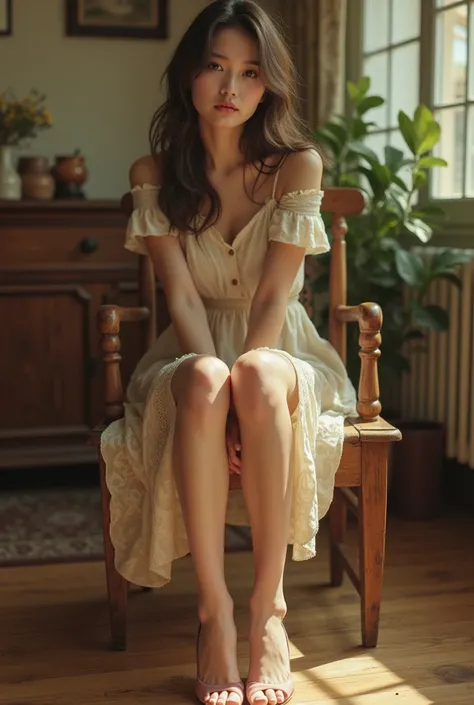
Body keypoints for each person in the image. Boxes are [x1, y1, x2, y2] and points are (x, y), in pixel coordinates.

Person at [101, 1, 357, 704]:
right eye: (215, 66)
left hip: (279, 354)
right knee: (212, 375)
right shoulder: (155, 170)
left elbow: (274, 299)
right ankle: (213, 613)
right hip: (190, 356)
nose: (230, 87)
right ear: (189, 73)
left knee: (249, 371)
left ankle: (267, 610)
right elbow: (180, 299)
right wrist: (216, 381)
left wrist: (247, 396)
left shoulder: (297, 166)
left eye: (249, 73)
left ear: (267, 85)